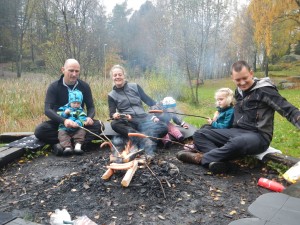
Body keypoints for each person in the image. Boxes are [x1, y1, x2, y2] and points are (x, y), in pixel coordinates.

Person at [177, 60, 300, 174]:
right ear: (232, 78)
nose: (242, 83)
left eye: (245, 78)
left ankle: (201, 158)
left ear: (251, 73)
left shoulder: (264, 90)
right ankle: (218, 162)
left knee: (236, 142)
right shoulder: (238, 91)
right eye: (238, 80)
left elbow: (288, 110)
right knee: (200, 133)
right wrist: (217, 117)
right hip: (237, 131)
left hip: (258, 136)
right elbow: (231, 110)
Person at [34, 59, 104, 156]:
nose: (74, 74)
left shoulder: (84, 86)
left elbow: (91, 107)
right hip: (60, 124)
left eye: (77, 71)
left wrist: (89, 117)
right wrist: (64, 121)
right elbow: (48, 110)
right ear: (63, 70)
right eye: (71, 70)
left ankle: (64, 145)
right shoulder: (54, 87)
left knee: (100, 125)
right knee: (40, 130)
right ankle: (76, 144)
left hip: (79, 123)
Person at [108, 64, 168, 160]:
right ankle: (144, 140)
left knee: (164, 127)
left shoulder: (135, 87)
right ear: (112, 77)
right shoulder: (111, 95)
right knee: (114, 124)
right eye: (115, 75)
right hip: (129, 121)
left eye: (120, 74)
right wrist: (114, 115)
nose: (117, 77)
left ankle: (136, 140)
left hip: (143, 118)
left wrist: (159, 106)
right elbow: (111, 113)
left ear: (124, 75)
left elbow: (149, 101)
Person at [57, 89, 87, 155]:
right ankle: (67, 148)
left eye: (78, 103)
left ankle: (78, 146)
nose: (76, 105)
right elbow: (58, 116)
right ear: (70, 102)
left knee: (82, 132)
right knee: (62, 134)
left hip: (76, 128)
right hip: (64, 128)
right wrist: (65, 114)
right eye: (74, 103)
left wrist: (78, 123)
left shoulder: (80, 111)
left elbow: (83, 119)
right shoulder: (64, 108)